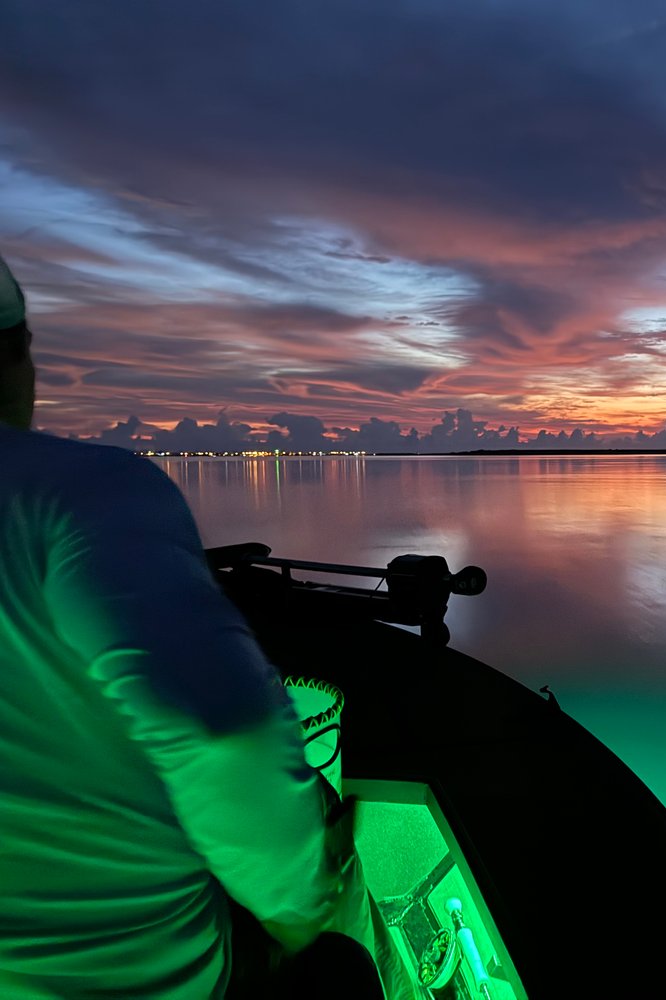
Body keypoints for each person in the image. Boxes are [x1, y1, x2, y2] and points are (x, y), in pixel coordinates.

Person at [0, 255, 392, 998]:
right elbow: (223, 730)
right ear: (18, 350)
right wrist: (310, 910)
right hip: (144, 980)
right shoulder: (82, 491)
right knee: (341, 960)